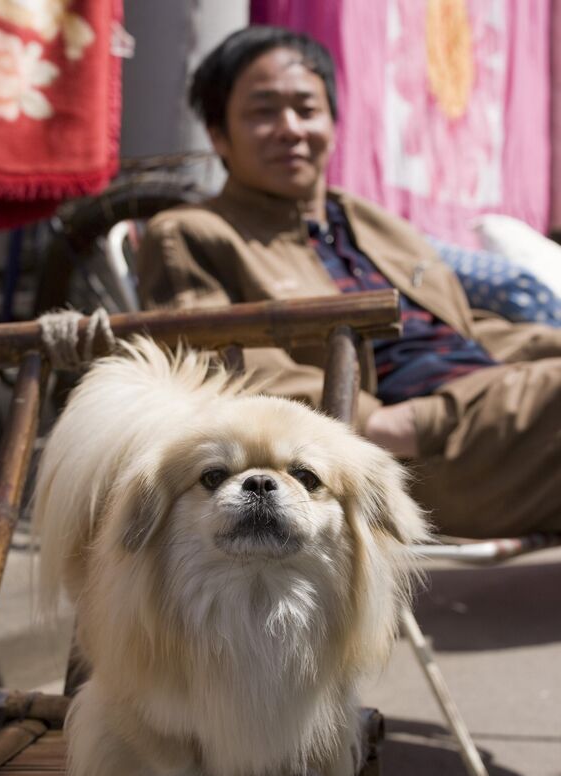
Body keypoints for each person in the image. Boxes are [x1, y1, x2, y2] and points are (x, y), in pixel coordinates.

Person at [137, 25, 561, 538]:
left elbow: (461, 330)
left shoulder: (374, 222)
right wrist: (383, 424)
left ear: (334, 123)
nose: (291, 128)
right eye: (263, 111)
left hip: (506, 414)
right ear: (218, 133)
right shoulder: (191, 234)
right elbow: (222, 375)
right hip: (406, 459)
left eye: (307, 109)